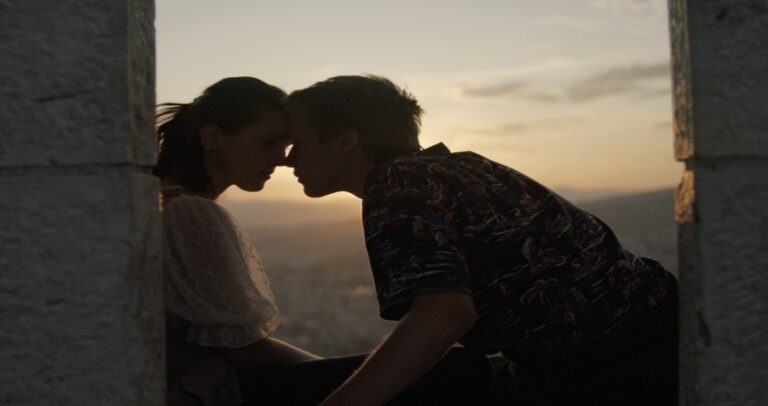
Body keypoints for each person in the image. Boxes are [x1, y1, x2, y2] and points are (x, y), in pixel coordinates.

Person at [283, 75, 679, 405]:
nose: (288, 158)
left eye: (297, 141)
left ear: (345, 140)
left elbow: (444, 315)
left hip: (609, 367)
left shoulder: (395, 184)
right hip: (651, 336)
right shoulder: (460, 166)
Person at [154, 77, 319, 406]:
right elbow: (244, 348)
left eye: (285, 145)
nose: (281, 159)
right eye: (269, 142)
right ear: (212, 137)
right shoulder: (190, 211)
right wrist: (338, 374)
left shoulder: (164, 201)